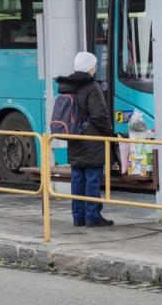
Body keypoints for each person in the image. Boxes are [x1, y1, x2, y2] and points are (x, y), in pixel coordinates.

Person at [56, 51, 115, 227]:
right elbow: (100, 115)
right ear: (90, 67)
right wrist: (110, 134)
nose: (95, 68)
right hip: (92, 140)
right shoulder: (92, 86)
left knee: (78, 178)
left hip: (74, 139)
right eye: (94, 65)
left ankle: (78, 217)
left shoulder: (67, 86)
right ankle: (92, 216)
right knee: (92, 179)